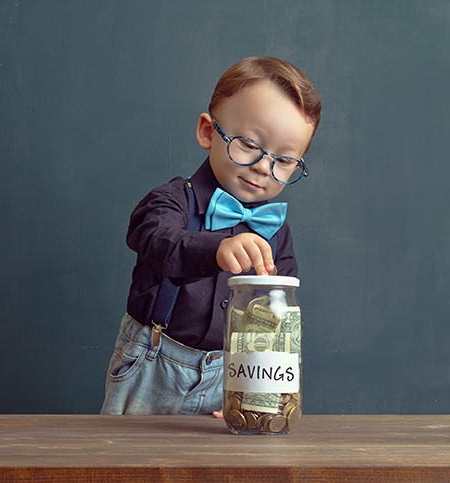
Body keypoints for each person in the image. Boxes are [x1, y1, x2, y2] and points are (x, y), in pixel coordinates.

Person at [100, 56, 322, 416]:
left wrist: (258, 392)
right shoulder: (171, 200)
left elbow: (279, 319)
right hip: (154, 366)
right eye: (249, 144)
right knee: (127, 464)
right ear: (208, 131)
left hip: (232, 377)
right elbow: (156, 241)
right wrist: (217, 248)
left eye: (284, 161)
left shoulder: (276, 230)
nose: (264, 167)